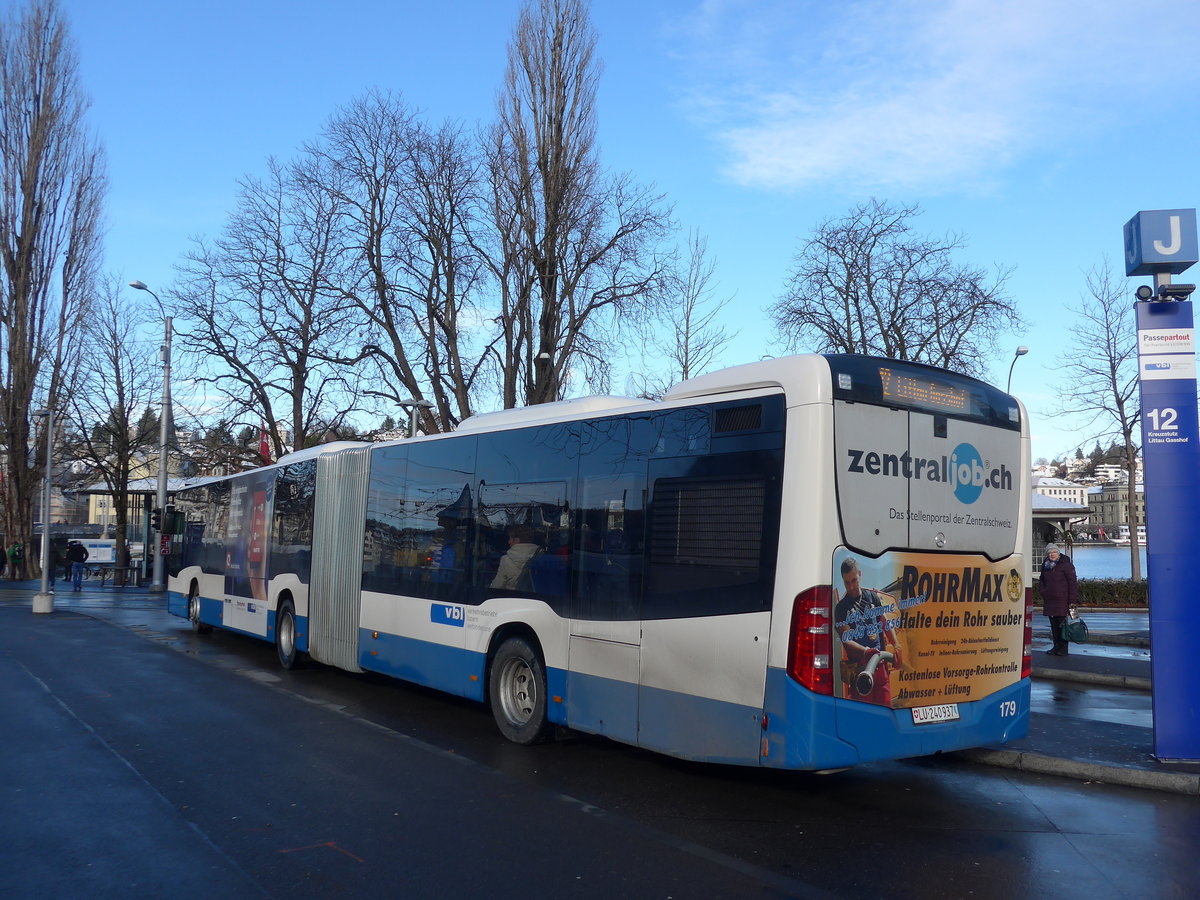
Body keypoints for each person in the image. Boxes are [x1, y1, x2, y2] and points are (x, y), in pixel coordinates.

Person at [833, 557, 903, 706]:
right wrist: (866, 652)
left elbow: (885, 623)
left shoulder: (872, 598)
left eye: (854, 580)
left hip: (880, 667)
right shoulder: (841, 608)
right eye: (847, 583)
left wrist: (896, 645)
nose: (851, 586)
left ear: (860, 574)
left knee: (885, 711)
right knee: (865, 714)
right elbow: (847, 640)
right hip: (861, 672)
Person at [1040, 542, 1077, 656]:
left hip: (1062, 600)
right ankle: (1056, 646)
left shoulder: (1066, 564)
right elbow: (1042, 580)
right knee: (1054, 626)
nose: (1052, 554)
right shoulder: (1045, 565)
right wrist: (1043, 592)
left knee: (1062, 626)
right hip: (1050, 600)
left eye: (1054, 552)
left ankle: (1063, 648)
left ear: (1058, 553)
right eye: (1050, 553)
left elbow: (1072, 583)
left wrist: (1072, 601)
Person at [490, 525, 541, 590]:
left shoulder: (506, 560)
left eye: (510, 539)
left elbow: (497, 586)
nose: (509, 542)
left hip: (511, 596)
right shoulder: (540, 558)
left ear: (517, 540)